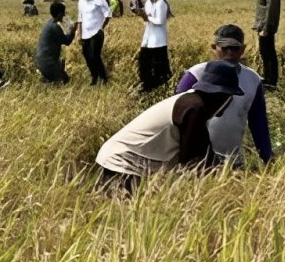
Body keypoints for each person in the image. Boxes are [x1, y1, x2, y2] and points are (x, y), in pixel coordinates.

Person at [96, 60, 244, 192]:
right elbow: (195, 161)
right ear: (224, 96)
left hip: (124, 160)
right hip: (123, 163)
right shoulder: (193, 109)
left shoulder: (192, 102)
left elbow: (204, 152)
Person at [176, 24, 272, 168]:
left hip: (233, 162)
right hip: (197, 161)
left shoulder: (253, 80)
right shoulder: (195, 75)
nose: (230, 53)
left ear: (243, 49)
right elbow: (176, 118)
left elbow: (258, 123)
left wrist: (268, 159)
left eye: (235, 48)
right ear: (214, 48)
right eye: (224, 48)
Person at [136, 0, 172, 91]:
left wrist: (147, 17)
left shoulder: (161, 3)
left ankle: (160, 85)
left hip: (158, 40)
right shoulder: (148, 3)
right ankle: (147, 84)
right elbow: (147, 20)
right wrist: (140, 13)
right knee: (144, 63)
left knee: (159, 65)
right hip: (148, 38)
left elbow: (160, 21)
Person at [76, 0, 111, 85]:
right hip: (85, 34)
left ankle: (103, 78)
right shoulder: (81, 0)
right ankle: (94, 77)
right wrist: (80, 35)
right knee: (87, 56)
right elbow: (80, 19)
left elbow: (108, 15)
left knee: (95, 56)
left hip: (96, 33)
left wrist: (101, 28)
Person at [253, 0, 280, 88]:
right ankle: (267, 77)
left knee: (269, 53)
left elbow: (271, 9)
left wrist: (267, 27)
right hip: (262, 26)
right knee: (264, 52)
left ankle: (271, 80)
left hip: (266, 27)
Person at [35, 1, 76, 83]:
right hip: (48, 62)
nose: (64, 15)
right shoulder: (54, 27)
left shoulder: (48, 23)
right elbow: (67, 41)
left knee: (63, 79)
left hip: (41, 60)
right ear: (59, 14)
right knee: (63, 81)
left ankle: (47, 80)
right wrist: (73, 30)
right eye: (63, 13)